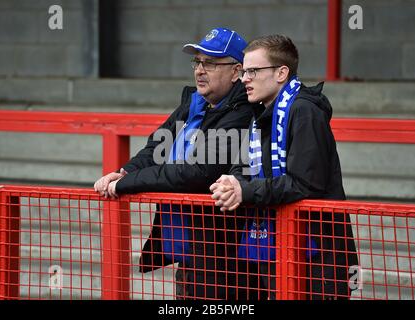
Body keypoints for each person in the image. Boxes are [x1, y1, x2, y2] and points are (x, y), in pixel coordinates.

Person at [94, 28, 256, 299]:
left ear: (236, 71)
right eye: (198, 62)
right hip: (192, 245)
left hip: (225, 251)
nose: (200, 70)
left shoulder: (243, 112)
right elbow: (156, 147)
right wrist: (123, 172)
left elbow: (196, 172)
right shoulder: (194, 104)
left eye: (211, 63)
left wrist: (127, 183)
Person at [210, 34, 359, 300]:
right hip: (277, 245)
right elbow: (243, 166)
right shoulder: (261, 113)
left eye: (253, 71)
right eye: (244, 71)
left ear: (281, 73)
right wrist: (231, 183)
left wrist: (244, 191)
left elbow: (303, 183)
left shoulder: (305, 111)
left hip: (317, 253)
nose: (244, 78)